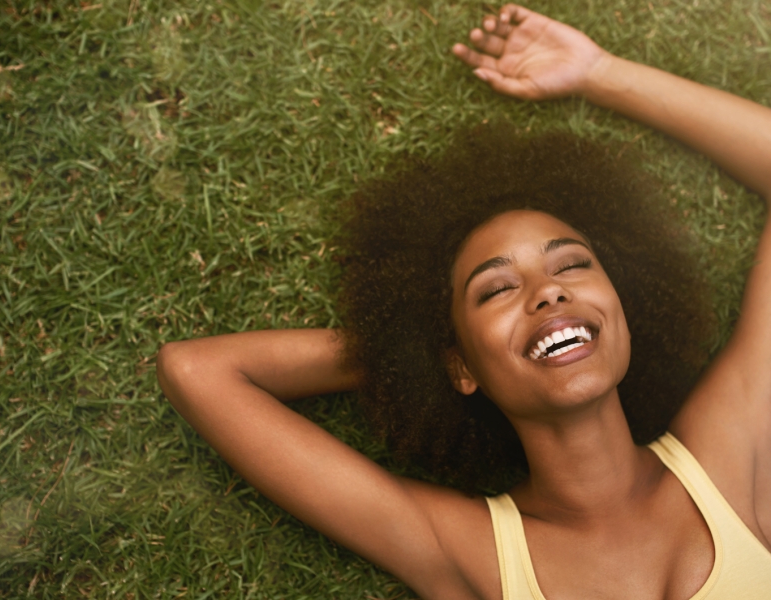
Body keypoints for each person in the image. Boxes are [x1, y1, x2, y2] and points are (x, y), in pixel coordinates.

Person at [156, 4, 771, 599]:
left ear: (625, 311)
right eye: (497, 289)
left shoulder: (730, 461)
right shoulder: (466, 551)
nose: (548, 291)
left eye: (573, 265)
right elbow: (198, 370)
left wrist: (600, 74)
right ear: (460, 367)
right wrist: (420, 353)